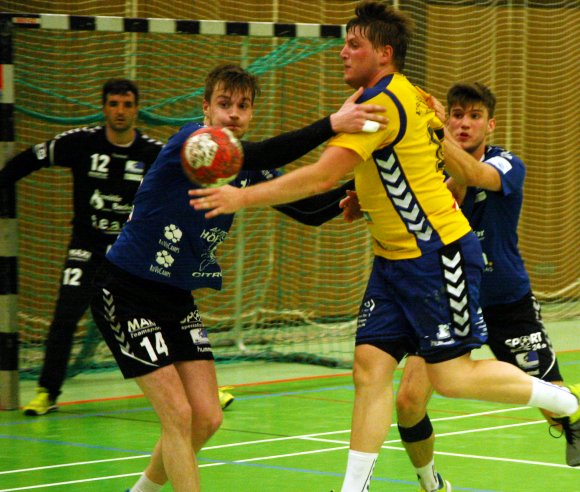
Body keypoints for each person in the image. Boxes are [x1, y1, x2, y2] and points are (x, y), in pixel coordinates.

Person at [188, 2, 580, 491]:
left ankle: (566, 403)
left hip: (439, 256)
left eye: (356, 44)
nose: (343, 52)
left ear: (385, 52)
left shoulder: (381, 104)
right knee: (369, 369)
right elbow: (404, 159)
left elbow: (322, 175)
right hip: (392, 259)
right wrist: (367, 198)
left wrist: (239, 195)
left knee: (452, 378)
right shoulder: (403, 93)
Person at [89, 63, 387, 492]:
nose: (233, 114)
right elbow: (264, 153)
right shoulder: (192, 144)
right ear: (205, 108)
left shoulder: (242, 164)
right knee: (178, 414)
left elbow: (305, 208)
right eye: (224, 104)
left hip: (175, 297)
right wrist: (332, 125)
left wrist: (359, 201)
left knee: (207, 417)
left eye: (243, 107)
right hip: (125, 289)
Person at [392, 81, 579, 491]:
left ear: (489, 124)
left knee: (556, 405)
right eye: (456, 115)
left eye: (474, 117)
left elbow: (473, 174)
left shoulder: (507, 164)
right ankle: (432, 484)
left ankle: (573, 416)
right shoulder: (429, 169)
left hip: (504, 299)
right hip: (445, 299)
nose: (463, 124)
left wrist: (433, 129)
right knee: (407, 403)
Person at [0, 79, 165, 416]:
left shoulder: (153, 153)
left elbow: (185, 181)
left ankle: (204, 386)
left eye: (127, 104)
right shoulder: (82, 143)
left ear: (136, 109)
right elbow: (31, 158)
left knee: (165, 316)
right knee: (65, 316)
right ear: (104, 107)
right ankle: (47, 392)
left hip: (131, 253)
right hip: (86, 249)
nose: (120, 111)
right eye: (114, 103)